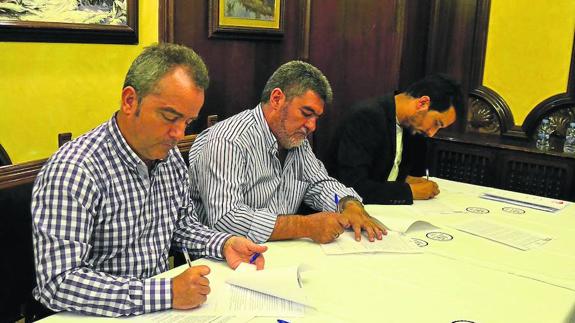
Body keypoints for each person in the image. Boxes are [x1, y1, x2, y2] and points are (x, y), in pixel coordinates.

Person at [31, 43, 267, 318]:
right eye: (170, 117)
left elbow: (180, 227)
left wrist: (224, 244)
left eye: (188, 122)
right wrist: (165, 293)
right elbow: (58, 282)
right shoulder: (75, 170)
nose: (179, 133)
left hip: (154, 311)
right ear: (130, 101)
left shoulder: (169, 158)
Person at [188, 61, 386, 245]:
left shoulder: (295, 139)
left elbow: (318, 183)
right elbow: (226, 220)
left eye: (317, 117)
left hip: (279, 253)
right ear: (276, 99)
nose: (312, 126)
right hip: (223, 260)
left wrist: (347, 204)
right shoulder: (228, 141)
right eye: (306, 114)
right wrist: (305, 226)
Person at [325, 74, 463, 205]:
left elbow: (381, 174)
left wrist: (405, 179)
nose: (432, 133)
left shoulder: (412, 127)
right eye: (437, 123)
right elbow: (353, 185)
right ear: (422, 103)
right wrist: (409, 191)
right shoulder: (366, 116)